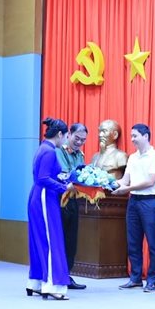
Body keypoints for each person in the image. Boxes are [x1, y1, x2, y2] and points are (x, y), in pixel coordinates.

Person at [111, 123, 155, 292]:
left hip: (151, 202)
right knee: (133, 241)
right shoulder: (132, 158)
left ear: (146, 136)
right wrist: (106, 182)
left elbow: (150, 181)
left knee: (153, 241)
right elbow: (125, 180)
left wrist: (127, 189)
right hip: (133, 201)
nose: (132, 139)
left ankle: (153, 280)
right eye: (131, 136)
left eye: (135, 136)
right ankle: (135, 278)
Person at [26, 117, 71, 300]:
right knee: (51, 241)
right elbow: (43, 178)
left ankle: (36, 281)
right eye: (66, 136)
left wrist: (63, 179)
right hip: (45, 196)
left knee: (38, 240)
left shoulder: (42, 148)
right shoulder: (50, 151)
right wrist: (64, 187)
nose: (66, 140)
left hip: (37, 195)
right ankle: (52, 285)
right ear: (59, 134)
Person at [56, 122, 88, 290]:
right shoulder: (59, 152)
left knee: (71, 241)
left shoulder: (80, 155)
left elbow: (82, 175)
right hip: (59, 200)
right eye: (77, 138)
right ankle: (57, 275)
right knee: (59, 239)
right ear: (69, 134)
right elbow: (64, 174)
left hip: (73, 200)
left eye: (83, 140)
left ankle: (66, 275)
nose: (79, 142)